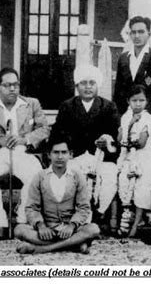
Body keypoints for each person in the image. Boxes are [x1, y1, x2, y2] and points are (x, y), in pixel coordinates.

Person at [0, 67, 50, 240]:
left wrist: (25, 139)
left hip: (23, 153)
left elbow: (44, 129)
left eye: (16, 84)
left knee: (35, 174)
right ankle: (1, 222)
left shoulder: (31, 104)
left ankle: (21, 219)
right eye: (7, 85)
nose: (13, 89)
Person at [52, 64, 120, 226]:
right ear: (77, 86)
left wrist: (107, 142)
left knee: (110, 176)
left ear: (98, 85)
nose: (88, 87)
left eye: (92, 83)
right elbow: (58, 134)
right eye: (83, 83)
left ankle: (99, 212)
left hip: (101, 158)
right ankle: (77, 215)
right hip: (76, 155)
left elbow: (115, 136)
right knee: (70, 176)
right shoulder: (67, 106)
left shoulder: (109, 107)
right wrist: (69, 150)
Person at [14, 135, 100, 254]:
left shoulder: (77, 177)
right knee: (19, 230)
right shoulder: (40, 177)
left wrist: (72, 226)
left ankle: (40, 249)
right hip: (47, 229)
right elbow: (31, 207)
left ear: (70, 154)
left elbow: (83, 207)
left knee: (93, 229)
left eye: (64, 152)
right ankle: (74, 245)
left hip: (70, 229)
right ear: (49, 155)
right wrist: (41, 226)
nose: (60, 157)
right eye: (56, 152)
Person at [116, 85, 151, 238]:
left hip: (145, 155)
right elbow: (120, 139)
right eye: (134, 100)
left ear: (146, 101)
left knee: (143, 182)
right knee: (123, 179)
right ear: (128, 101)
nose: (138, 104)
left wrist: (133, 125)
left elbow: (141, 143)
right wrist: (128, 125)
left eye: (142, 100)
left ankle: (136, 223)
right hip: (128, 155)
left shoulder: (147, 117)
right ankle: (126, 217)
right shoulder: (125, 117)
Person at [113, 16, 151, 120]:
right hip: (126, 115)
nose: (137, 36)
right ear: (130, 34)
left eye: (141, 32)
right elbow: (118, 90)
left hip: (148, 115)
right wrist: (118, 115)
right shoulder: (124, 58)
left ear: (149, 34)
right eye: (133, 32)